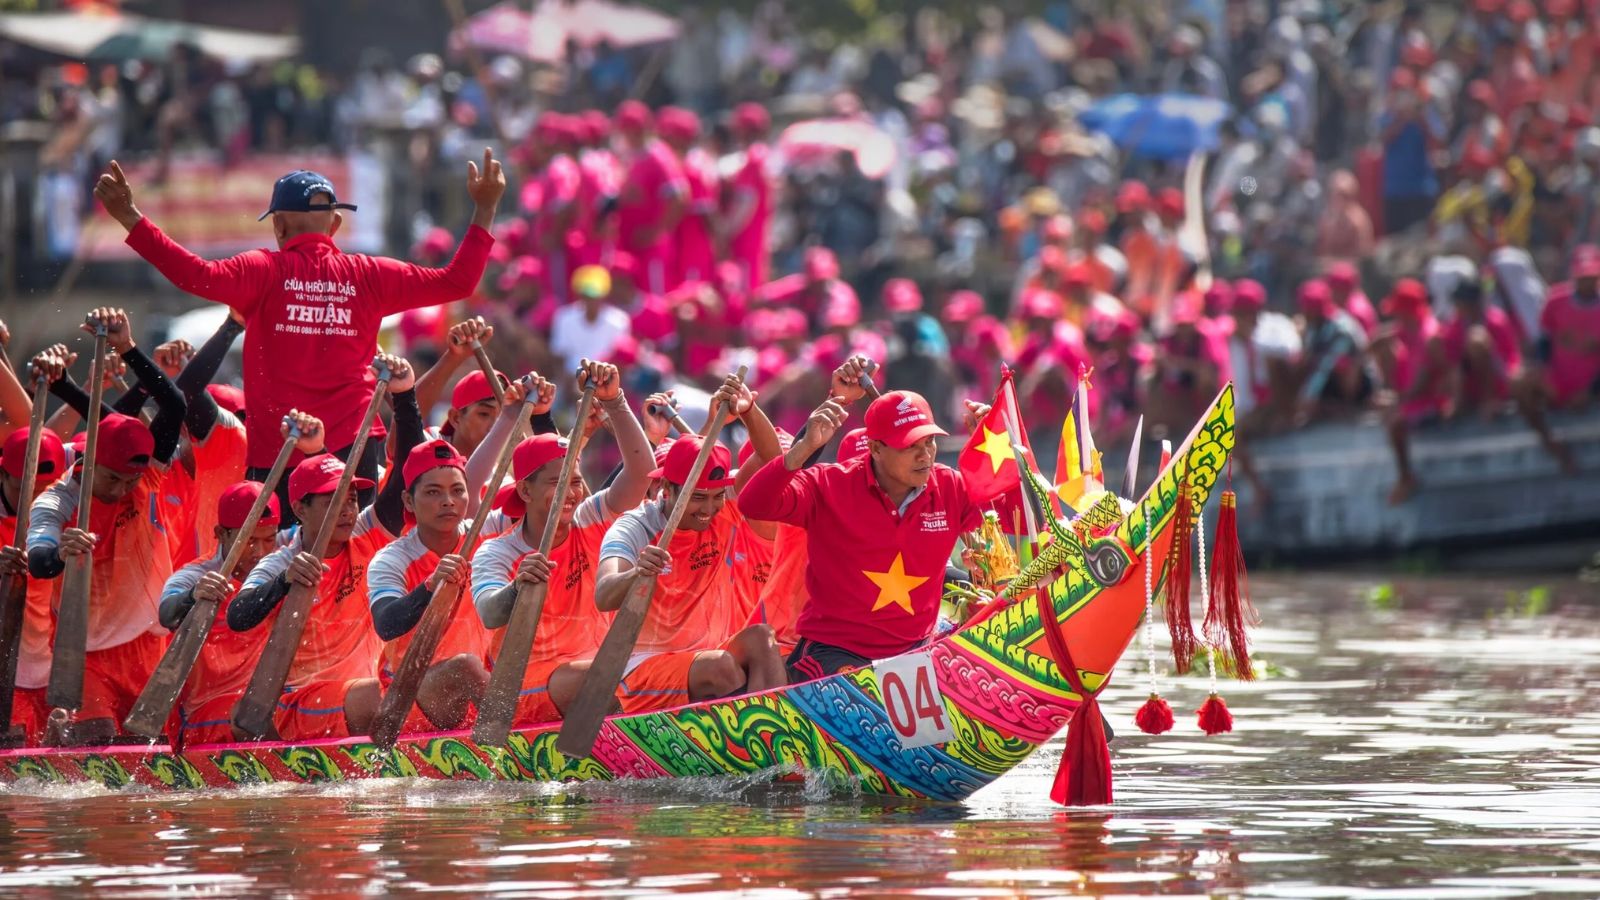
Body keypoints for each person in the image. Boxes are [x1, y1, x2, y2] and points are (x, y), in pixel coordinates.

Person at [92, 151, 506, 507]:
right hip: (355, 448)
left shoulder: (262, 270)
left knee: (276, 563)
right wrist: (485, 208)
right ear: (334, 226)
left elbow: (194, 274)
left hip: (280, 454)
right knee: (356, 561)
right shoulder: (370, 274)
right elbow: (458, 282)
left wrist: (130, 217)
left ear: (279, 226)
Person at [740, 373, 987, 682]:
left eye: (930, 442)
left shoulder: (950, 485)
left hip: (917, 650)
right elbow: (753, 505)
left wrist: (994, 446)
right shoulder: (828, 484)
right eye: (910, 446)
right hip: (837, 652)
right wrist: (802, 449)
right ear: (876, 449)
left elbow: (1014, 512)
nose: (925, 455)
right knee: (865, 699)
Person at [224, 355, 421, 741]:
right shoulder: (281, 562)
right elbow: (237, 615)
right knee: (390, 696)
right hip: (301, 704)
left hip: (362, 696)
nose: (347, 511)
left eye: (352, 499)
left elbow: (406, 475)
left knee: (432, 684)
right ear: (300, 509)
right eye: (333, 502)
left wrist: (404, 396)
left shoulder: (366, 535)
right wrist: (284, 581)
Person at [22, 308, 188, 745]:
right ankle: (63, 734)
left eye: (131, 480)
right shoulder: (59, 500)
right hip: (84, 652)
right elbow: (39, 560)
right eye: (113, 479)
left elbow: (173, 404)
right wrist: (59, 553)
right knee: (97, 742)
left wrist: (128, 348)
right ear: (89, 461)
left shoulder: (147, 476)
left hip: (147, 644)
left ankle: (59, 733)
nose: (124, 489)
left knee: (145, 754)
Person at [471, 361, 655, 725]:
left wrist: (615, 400)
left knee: (641, 669)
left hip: (597, 673)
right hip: (523, 689)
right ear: (525, 491)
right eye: (557, 483)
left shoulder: (589, 518)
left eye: (575, 481)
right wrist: (517, 587)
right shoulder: (499, 551)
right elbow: (490, 613)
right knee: (614, 676)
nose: (570, 494)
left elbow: (640, 475)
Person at [592, 377, 786, 710]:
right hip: (642, 669)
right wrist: (637, 573)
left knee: (762, 638)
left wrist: (748, 410)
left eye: (715, 497)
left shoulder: (725, 507)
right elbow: (603, 595)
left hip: (707, 655)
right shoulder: (635, 527)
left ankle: (776, 730)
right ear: (666, 488)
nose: (709, 509)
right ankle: (755, 734)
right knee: (722, 668)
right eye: (697, 498)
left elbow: (773, 464)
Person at [362, 374, 531, 733]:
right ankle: (521, 744)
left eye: (457, 491)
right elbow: (386, 623)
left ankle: (517, 734)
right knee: (466, 665)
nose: (448, 502)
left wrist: (540, 417)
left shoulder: (483, 532)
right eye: (433, 492)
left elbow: (545, 505)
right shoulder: (392, 559)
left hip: (478, 688)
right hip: (410, 697)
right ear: (409, 501)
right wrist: (428, 587)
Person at [157, 417, 320, 747]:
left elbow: (325, 515)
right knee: (258, 715)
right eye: (248, 542)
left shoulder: (283, 549)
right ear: (221, 534)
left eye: (267, 539)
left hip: (266, 700)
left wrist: (315, 449)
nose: (259, 553)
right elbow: (166, 612)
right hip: (208, 711)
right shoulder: (197, 574)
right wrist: (193, 596)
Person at [0, 423, 68, 746]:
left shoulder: (64, 509)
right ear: (3, 475)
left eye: (45, 490)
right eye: (25, 488)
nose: (35, 500)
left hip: (54, 673)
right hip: (7, 675)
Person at [1517, 246, 1600, 471]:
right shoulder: (1556, 300)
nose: (1586, 282)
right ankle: (1553, 446)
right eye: (1582, 276)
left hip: (1592, 386)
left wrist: (1590, 392)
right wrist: (1543, 371)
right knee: (1521, 383)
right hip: (1558, 381)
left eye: (1591, 276)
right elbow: (1544, 341)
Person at [551, 266, 632, 376]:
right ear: (579, 295)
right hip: (571, 379)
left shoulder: (619, 320)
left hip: (606, 379)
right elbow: (559, 357)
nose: (592, 301)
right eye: (587, 296)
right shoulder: (564, 317)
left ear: (605, 295)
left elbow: (621, 362)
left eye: (597, 296)